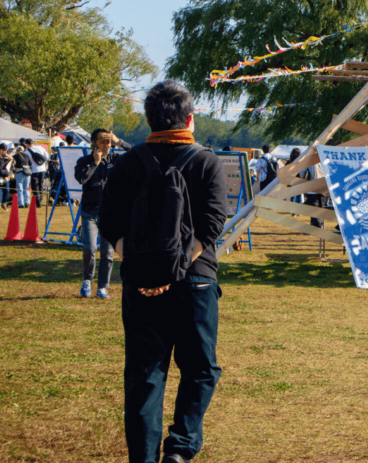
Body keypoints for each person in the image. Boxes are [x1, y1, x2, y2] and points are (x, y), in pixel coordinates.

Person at [99, 80, 228, 463]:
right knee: (201, 369)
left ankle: (143, 457)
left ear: (149, 119)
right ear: (190, 119)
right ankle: (180, 446)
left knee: (144, 375)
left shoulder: (127, 162)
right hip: (195, 282)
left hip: (140, 286)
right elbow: (211, 226)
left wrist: (143, 268)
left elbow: (108, 221)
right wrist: (173, 270)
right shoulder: (206, 161)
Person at [74, 128, 131, 299]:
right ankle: (87, 280)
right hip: (89, 212)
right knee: (90, 248)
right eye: (102, 142)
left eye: (109, 142)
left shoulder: (115, 159)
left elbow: (137, 153)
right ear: (94, 143)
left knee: (107, 253)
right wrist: (95, 163)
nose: (107, 145)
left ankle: (103, 287)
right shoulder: (84, 160)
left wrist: (119, 141)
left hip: (110, 213)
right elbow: (81, 179)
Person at [25, 138, 48, 207]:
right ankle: (40, 198)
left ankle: (38, 201)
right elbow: (46, 157)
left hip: (34, 170)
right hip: (42, 168)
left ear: (26, 144)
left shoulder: (26, 152)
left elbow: (26, 162)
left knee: (34, 186)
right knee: (40, 184)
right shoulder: (40, 148)